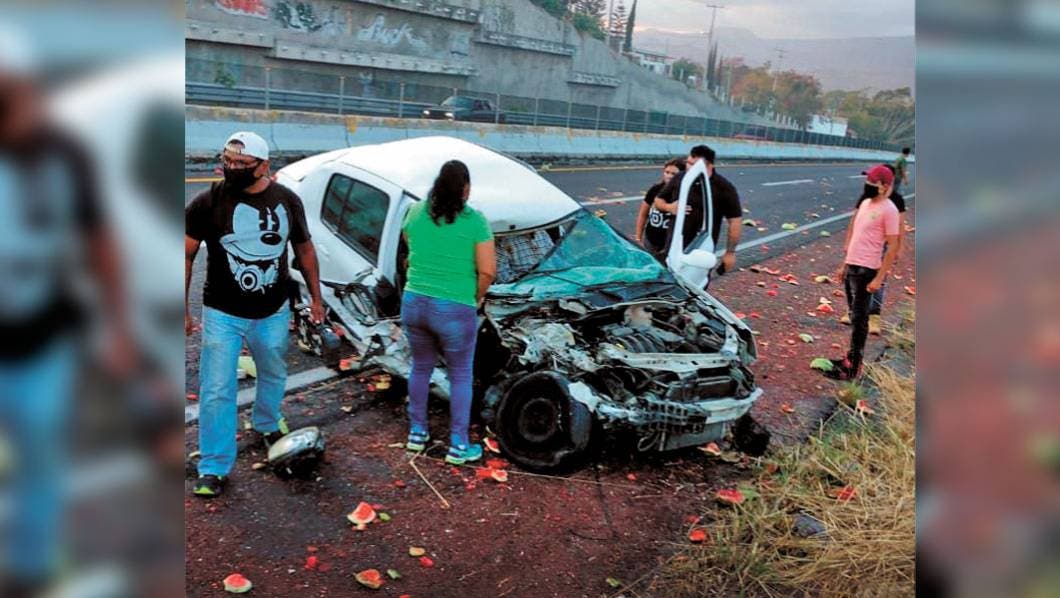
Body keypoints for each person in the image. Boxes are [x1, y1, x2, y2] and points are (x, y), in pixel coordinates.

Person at [0, 35, 134, 594]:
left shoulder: (65, 156)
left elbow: (100, 240)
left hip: (43, 339)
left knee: (41, 460)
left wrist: (118, 327)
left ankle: (30, 567)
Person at [185, 131, 323, 498]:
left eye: (242, 165)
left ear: (264, 166)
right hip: (221, 313)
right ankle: (213, 466)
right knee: (216, 389)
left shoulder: (287, 201)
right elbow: (185, 255)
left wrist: (316, 298)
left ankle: (265, 421)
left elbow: (305, 251)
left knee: (274, 371)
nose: (232, 169)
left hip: (273, 310)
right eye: (228, 161)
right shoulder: (206, 202)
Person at [400, 160, 496, 465]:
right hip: (454, 307)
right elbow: (488, 271)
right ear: (465, 188)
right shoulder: (475, 221)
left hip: (414, 301)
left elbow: (407, 242)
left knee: (420, 367)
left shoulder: (415, 211)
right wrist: (476, 298)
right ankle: (458, 445)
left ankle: (417, 433)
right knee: (460, 376)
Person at [823, 164, 900, 381]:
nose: (867, 184)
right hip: (853, 267)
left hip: (868, 270)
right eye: (867, 180)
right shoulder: (866, 203)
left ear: (884, 186)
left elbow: (892, 246)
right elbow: (856, 237)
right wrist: (844, 265)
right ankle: (850, 358)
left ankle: (853, 367)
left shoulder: (889, 210)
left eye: (872, 182)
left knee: (860, 320)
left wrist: (879, 277)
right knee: (854, 315)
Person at [653, 145, 742, 274]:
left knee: (693, 285)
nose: (688, 167)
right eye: (688, 162)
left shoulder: (724, 188)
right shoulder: (680, 178)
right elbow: (658, 200)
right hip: (673, 247)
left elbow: (735, 221)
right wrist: (669, 207)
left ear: (709, 165)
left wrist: (730, 253)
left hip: (700, 249)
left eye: (693, 164)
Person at [841, 164, 907, 334]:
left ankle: (874, 317)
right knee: (851, 279)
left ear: (887, 184)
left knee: (879, 281)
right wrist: (849, 242)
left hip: (882, 245)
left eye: (873, 180)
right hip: (862, 244)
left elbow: (900, 225)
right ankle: (853, 311)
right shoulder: (866, 199)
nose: (869, 183)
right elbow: (855, 220)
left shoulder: (896, 201)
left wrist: (899, 247)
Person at [634, 158, 685, 261]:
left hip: (671, 244)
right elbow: (643, 214)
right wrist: (638, 238)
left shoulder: (685, 194)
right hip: (651, 240)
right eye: (667, 172)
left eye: (674, 174)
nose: (669, 176)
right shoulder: (655, 190)